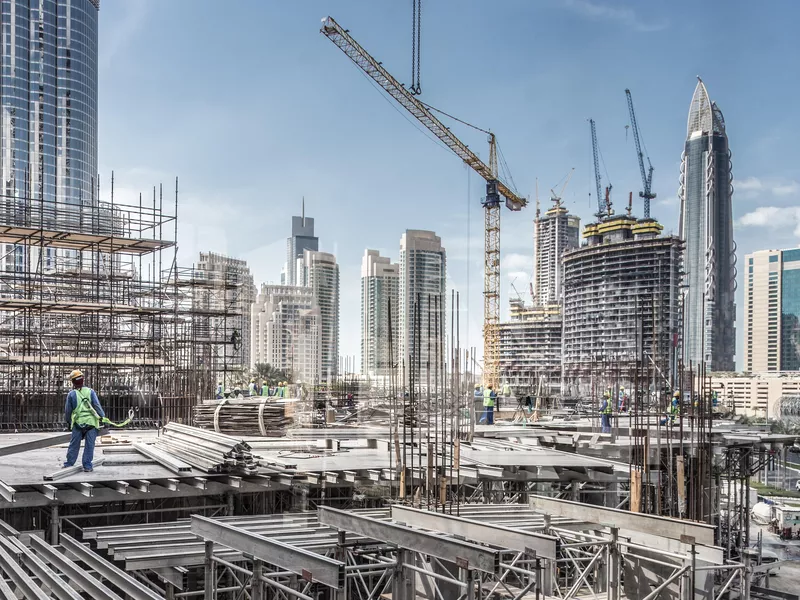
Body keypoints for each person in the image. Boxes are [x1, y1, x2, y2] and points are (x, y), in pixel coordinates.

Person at [63, 369, 106, 472]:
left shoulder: (71, 394)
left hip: (78, 423)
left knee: (74, 444)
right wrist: (103, 418)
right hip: (91, 423)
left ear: (73, 382)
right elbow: (97, 406)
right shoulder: (91, 392)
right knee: (89, 445)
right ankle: (87, 466)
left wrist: (68, 422)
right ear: (83, 380)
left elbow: (68, 411)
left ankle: (69, 463)